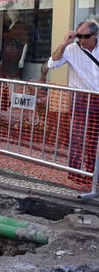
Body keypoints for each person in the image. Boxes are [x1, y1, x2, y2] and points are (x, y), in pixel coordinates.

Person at [47, 20, 99, 186]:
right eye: (79, 36)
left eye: (86, 36)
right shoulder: (71, 49)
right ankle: (75, 173)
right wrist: (64, 43)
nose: (82, 39)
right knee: (78, 136)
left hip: (98, 97)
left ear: (95, 35)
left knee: (94, 138)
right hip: (81, 97)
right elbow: (52, 64)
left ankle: (91, 172)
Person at [1, 8, 29, 79]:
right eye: (9, 12)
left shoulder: (21, 26)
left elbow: (25, 43)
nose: (11, 14)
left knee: (15, 78)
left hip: (16, 56)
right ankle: (10, 90)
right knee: (7, 78)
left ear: (17, 13)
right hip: (6, 57)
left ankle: (14, 90)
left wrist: (22, 59)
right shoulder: (7, 26)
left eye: (13, 12)